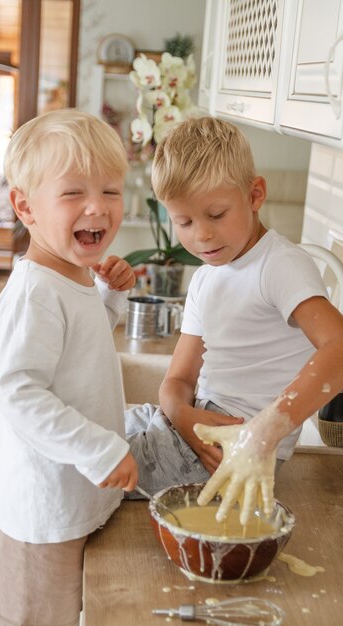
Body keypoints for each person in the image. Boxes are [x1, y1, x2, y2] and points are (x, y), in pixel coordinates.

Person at [0, 109, 138, 626]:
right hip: (43, 510)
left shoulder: (73, 275)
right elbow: (20, 394)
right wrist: (101, 449)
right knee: (29, 620)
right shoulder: (36, 292)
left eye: (111, 191)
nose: (98, 206)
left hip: (72, 496)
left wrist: (110, 296)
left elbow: (80, 349)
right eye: (74, 193)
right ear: (25, 207)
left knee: (33, 614)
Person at [149, 116, 343, 525]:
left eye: (216, 214)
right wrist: (182, 416)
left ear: (255, 195)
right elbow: (178, 381)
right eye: (183, 222)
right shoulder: (206, 279)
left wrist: (263, 433)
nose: (201, 235)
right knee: (100, 430)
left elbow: (339, 347)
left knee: (92, 466)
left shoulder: (280, 265)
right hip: (196, 422)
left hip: (237, 444)